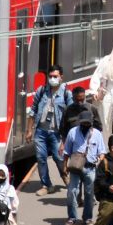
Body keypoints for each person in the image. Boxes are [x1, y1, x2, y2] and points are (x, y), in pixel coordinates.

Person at [30, 65, 70, 195]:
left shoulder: (66, 94)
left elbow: (71, 115)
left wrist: (67, 137)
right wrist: (29, 130)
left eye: (55, 76)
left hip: (57, 133)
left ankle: (66, 179)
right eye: (50, 76)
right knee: (41, 158)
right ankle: (46, 185)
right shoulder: (41, 91)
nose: (52, 79)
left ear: (61, 77)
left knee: (59, 158)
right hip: (41, 131)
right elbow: (33, 110)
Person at [61, 115, 106, 225]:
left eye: (87, 124)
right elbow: (66, 152)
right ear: (80, 122)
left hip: (90, 168)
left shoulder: (97, 134)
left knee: (89, 194)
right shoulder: (72, 132)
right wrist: (64, 167)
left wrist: (99, 160)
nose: (85, 126)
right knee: (72, 192)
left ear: (91, 123)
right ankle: (72, 218)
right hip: (75, 168)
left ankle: (88, 218)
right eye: (83, 123)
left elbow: (102, 152)